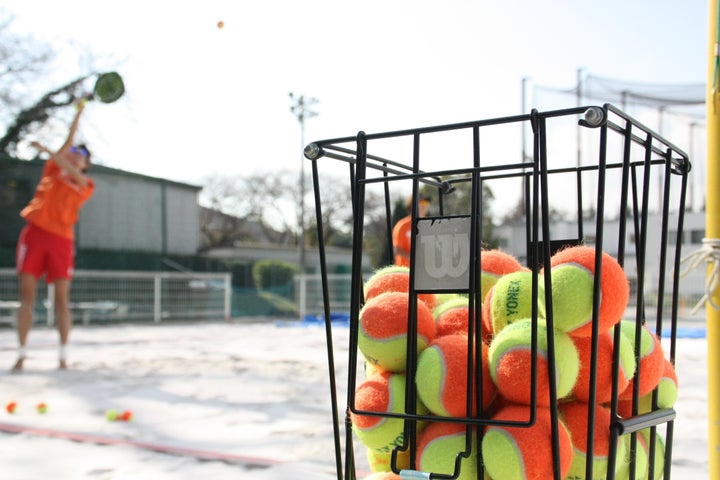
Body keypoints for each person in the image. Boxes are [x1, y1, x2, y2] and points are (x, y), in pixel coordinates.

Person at [12, 99, 95, 372]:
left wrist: (51, 151)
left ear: (86, 164)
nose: (75, 154)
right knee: (27, 296)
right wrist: (78, 114)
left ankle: (62, 356)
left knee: (61, 300)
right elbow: (66, 144)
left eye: (81, 154)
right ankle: (22, 354)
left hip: (62, 241)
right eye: (73, 151)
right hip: (35, 234)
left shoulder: (85, 184)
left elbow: (68, 164)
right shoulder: (52, 170)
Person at [392, 195, 431, 267]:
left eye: (427, 202)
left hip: (425, 270)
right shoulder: (402, 225)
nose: (424, 205)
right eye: (421, 202)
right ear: (412, 205)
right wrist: (417, 258)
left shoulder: (430, 225)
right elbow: (398, 250)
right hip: (405, 271)